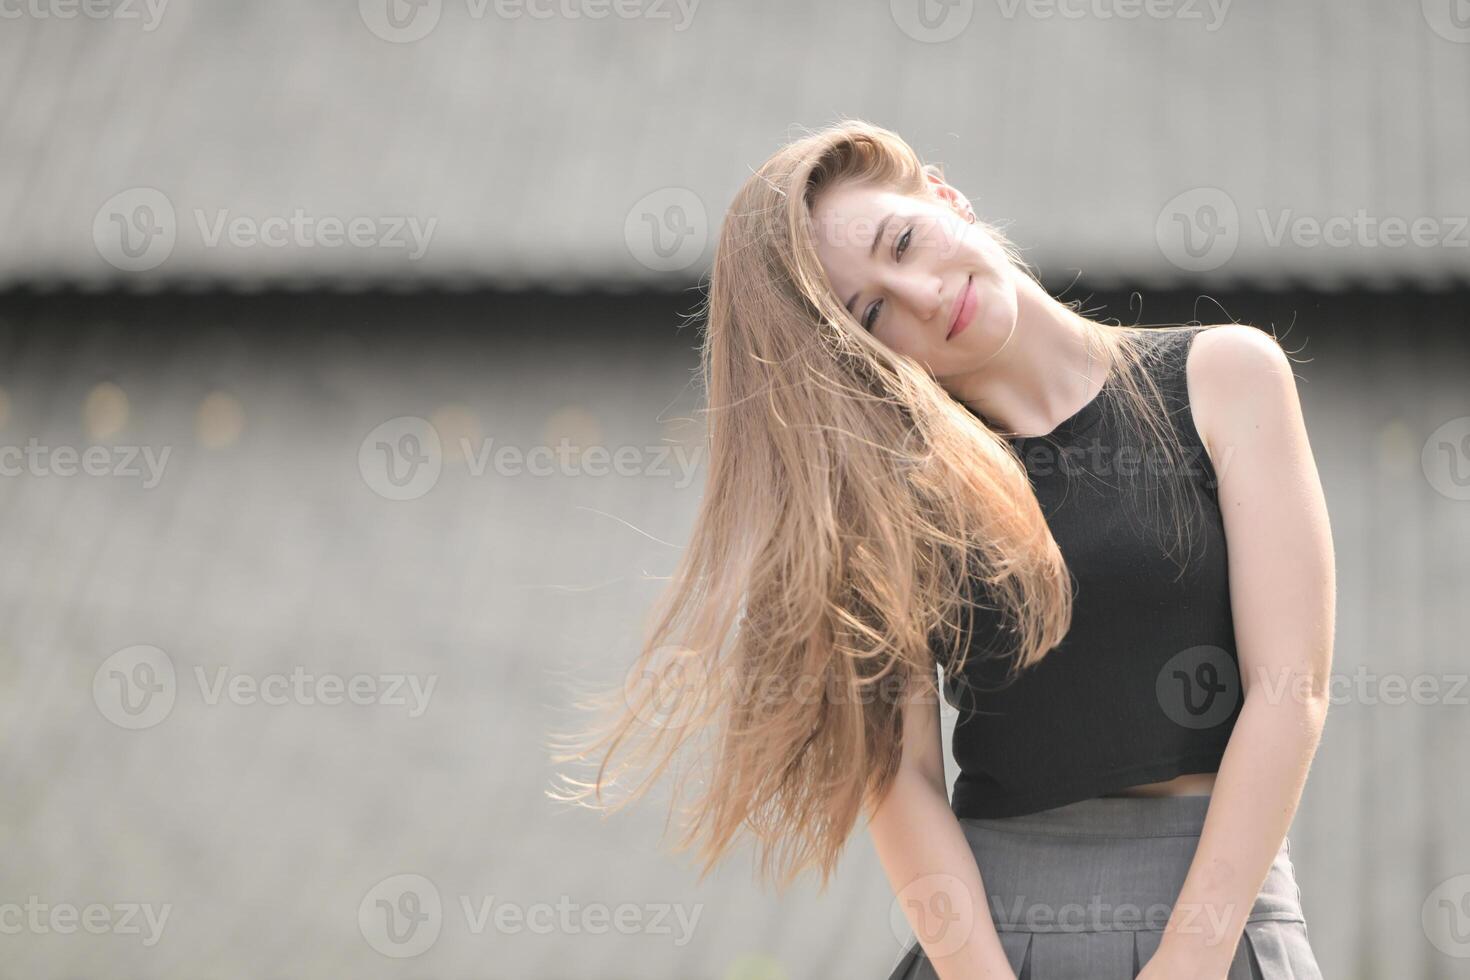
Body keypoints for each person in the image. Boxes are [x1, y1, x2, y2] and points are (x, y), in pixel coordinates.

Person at [549, 119, 1334, 980]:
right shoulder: (889, 502)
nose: (922, 296)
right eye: (873, 312)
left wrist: (1192, 956)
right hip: (993, 940)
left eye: (906, 242)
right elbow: (903, 777)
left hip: (1224, 932)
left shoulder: (1226, 377)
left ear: (945, 197)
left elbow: (1288, 691)